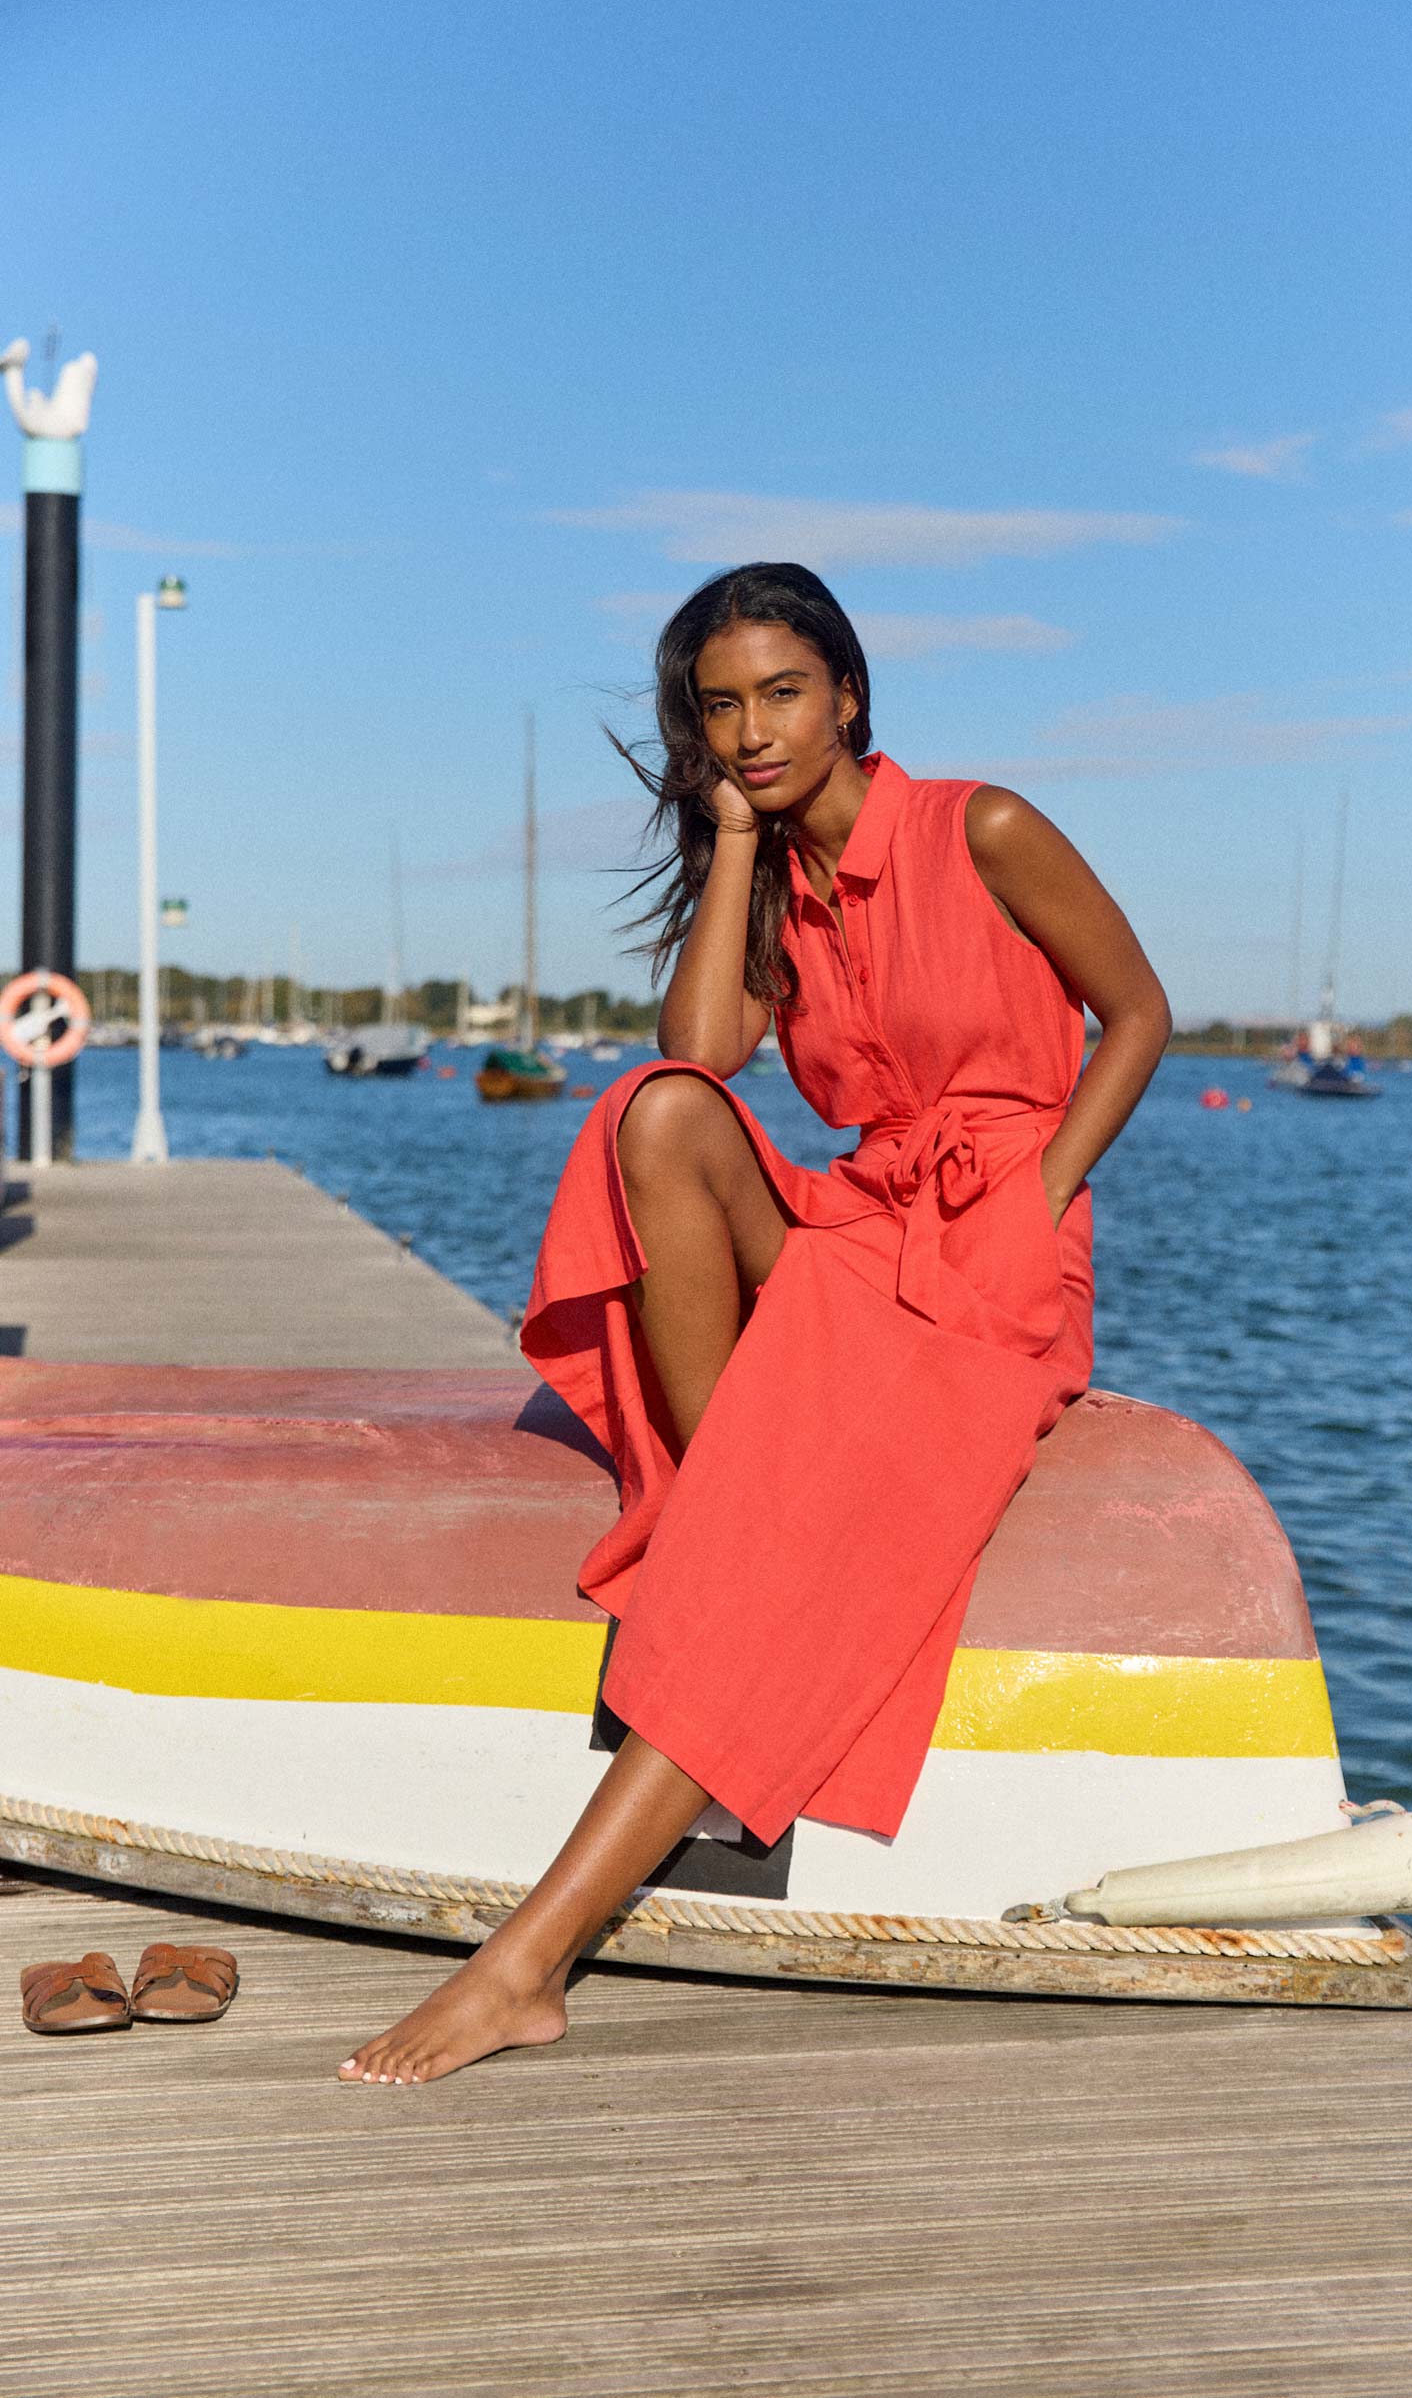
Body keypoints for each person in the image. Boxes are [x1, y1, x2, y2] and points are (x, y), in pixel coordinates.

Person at [340, 562, 1170, 2085]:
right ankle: (747, 1509)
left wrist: (1042, 1193)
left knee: (766, 1553)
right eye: (720, 706)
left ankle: (526, 1964)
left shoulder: (980, 826)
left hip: (992, 1258)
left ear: (848, 692)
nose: (754, 728)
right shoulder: (774, 873)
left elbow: (1141, 1012)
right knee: (652, 1117)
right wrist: (733, 842)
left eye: (783, 691)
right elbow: (701, 1049)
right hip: (857, 1228)